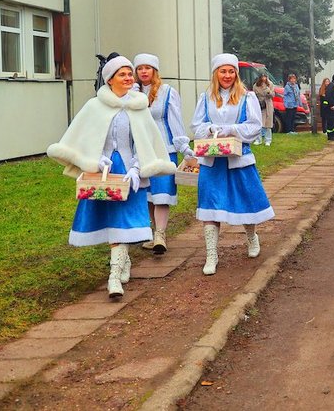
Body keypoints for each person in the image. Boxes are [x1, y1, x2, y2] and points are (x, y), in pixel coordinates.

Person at [47, 54, 175, 299]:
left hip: (128, 171)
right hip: (103, 172)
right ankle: (120, 266)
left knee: (124, 222)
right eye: (122, 74)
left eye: (130, 74)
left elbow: (145, 142)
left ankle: (114, 276)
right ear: (110, 79)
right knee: (111, 221)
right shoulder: (95, 106)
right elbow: (82, 136)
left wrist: (138, 168)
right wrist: (94, 159)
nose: (128, 78)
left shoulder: (139, 107)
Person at [191, 53, 275, 276]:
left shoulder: (247, 97)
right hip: (212, 161)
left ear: (236, 73)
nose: (227, 75)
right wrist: (210, 129)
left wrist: (231, 130)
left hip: (238, 158)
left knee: (246, 199)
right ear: (215, 73)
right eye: (222, 71)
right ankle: (211, 254)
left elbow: (255, 126)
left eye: (231, 71)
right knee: (209, 205)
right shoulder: (206, 97)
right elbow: (196, 125)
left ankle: (251, 237)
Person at [133, 53, 194, 255]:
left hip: (164, 150)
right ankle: (154, 233)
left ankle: (160, 234)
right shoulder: (131, 92)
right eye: (140, 68)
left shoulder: (167, 92)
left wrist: (185, 149)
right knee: (148, 195)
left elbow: (175, 122)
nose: (143, 71)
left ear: (154, 71)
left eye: (147, 68)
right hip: (139, 152)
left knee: (162, 195)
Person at [252, 74, 275, 146]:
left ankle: (268, 140)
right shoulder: (256, 85)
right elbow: (254, 96)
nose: (264, 78)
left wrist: (267, 90)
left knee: (268, 124)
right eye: (262, 77)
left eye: (265, 77)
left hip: (268, 105)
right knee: (259, 123)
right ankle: (258, 140)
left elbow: (272, 95)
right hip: (260, 105)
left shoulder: (270, 84)